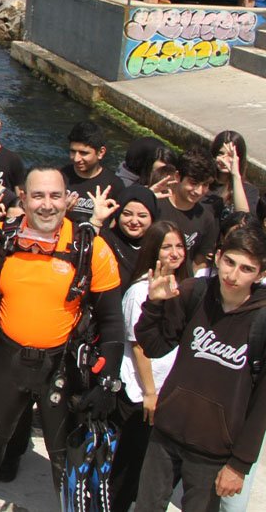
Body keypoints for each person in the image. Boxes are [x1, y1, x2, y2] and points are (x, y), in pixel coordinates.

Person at [0, 167, 124, 512]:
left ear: (69, 199)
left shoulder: (91, 248)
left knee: (61, 451)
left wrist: (108, 380)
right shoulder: (3, 239)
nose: (47, 205)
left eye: (55, 196)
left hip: (59, 362)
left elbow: (113, 321)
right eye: (38, 196)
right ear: (23, 199)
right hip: (6, 357)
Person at [134, 226, 266, 512]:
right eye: (229, 262)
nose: (233, 275)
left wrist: (240, 464)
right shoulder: (196, 292)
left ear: (260, 274)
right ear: (218, 257)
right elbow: (154, 346)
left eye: (246, 268)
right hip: (166, 434)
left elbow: (261, 404)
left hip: (214, 450)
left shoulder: (262, 320)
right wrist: (154, 304)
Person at [108, 221, 190, 512]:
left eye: (179, 245)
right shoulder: (140, 291)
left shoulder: (187, 288)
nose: (175, 253)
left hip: (171, 394)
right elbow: (138, 347)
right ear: (153, 250)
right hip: (142, 395)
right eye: (167, 246)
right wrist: (150, 393)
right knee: (128, 471)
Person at [157, 146, 220, 270]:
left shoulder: (207, 218)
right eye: (193, 183)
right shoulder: (156, 206)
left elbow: (199, 261)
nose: (199, 191)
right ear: (177, 177)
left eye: (205, 185)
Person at [91, 185, 160, 290]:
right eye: (127, 214)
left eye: (142, 216)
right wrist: (96, 220)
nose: (134, 221)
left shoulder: (158, 245)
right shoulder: (104, 239)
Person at [61, 120, 125, 224]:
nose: (76, 158)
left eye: (83, 153)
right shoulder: (59, 177)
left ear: (101, 152)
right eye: (73, 151)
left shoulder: (114, 184)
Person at [206, 131, 258, 222]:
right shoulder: (203, 183)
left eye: (231, 155)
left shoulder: (249, 191)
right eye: (220, 154)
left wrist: (235, 175)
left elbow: (244, 220)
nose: (224, 160)